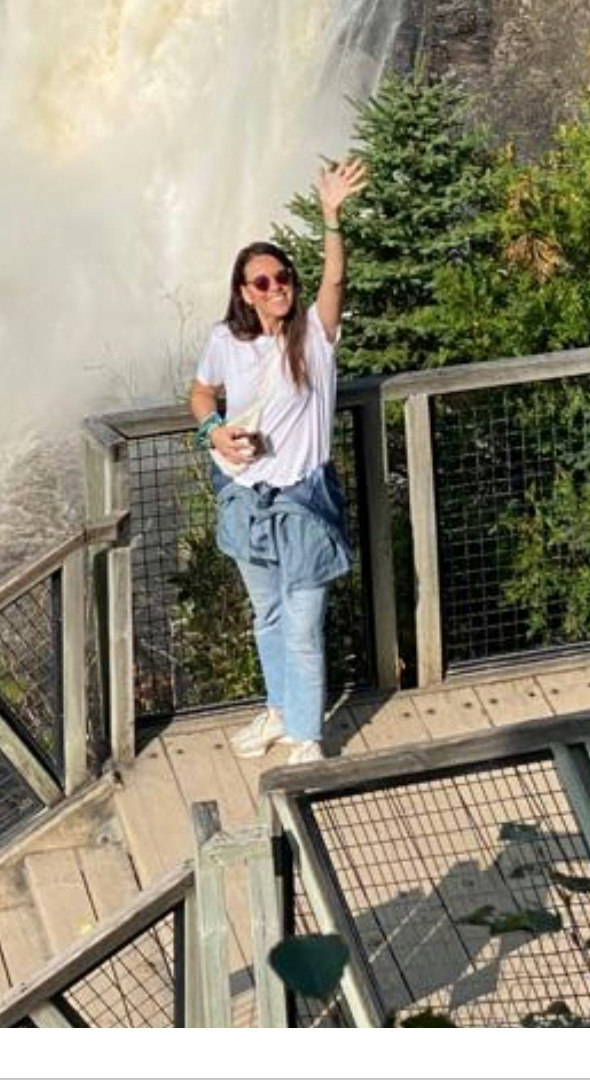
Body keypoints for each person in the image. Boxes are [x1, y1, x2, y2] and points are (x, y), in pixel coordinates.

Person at [191, 155, 366, 767]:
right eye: (262, 281)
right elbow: (200, 391)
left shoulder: (315, 337)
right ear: (244, 292)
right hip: (246, 496)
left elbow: (336, 282)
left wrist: (331, 218)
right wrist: (213, 432)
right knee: (267, 612)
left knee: (302, 621)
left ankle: (308, 736)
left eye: (282, 277)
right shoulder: (226, 341)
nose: (276, 287)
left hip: (303, 500)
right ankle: (279, 711)